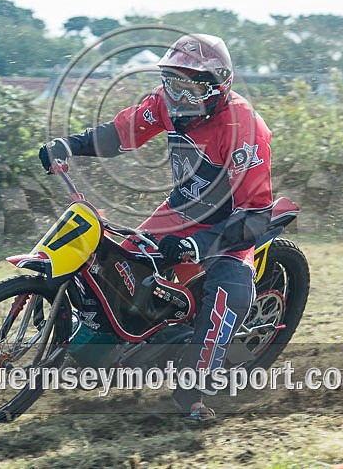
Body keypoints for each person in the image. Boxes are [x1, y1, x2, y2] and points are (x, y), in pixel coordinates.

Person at [39, 33, 273, 420]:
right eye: (172, 84)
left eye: (189, 88)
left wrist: (198, 247)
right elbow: (120, 134)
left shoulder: (246, 130)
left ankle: (192, 393)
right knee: (117, 270)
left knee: (228, 298)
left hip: (227, 231)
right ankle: (102, 349)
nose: (178, 98)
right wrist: (69, 145)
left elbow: (255, 216)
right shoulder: (166, 103)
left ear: (218, 87)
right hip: (176, 213)